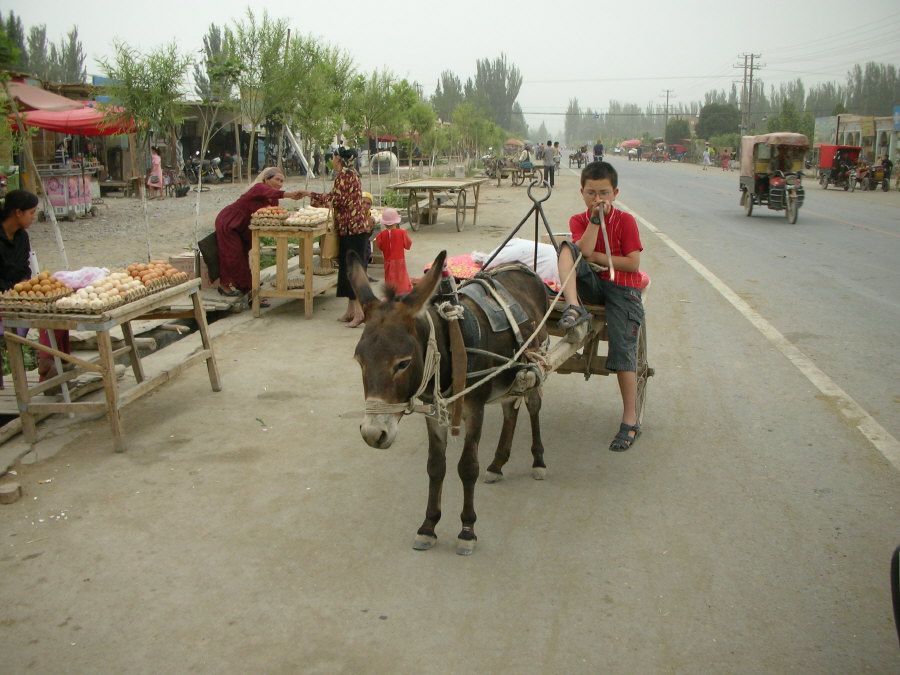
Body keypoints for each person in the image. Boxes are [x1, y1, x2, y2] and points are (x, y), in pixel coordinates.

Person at [555, 161, 646, 452]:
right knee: (567, 248)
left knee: (622, 348)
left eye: (604, 193)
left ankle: (630, 419)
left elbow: (632, 263)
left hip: (623, 286)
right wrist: (595, 222)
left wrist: (600, 259)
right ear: (582, 193)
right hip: (592, 284)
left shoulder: (627, 221)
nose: (598, 200)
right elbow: (583, 252)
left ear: (615, 193)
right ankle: (573, 306)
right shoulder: (579, 220)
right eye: (592, 193)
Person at [0, 190, 71, 389]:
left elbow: (25, 267)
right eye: (31, 212)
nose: (33, 217)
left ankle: (47, 362)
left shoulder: (22, 236)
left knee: (56, 314)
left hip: (17, 296)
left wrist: (24, 288)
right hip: (4, 298)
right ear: (18, 213)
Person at [298, 148, 369, 327]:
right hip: (351, 228)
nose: (333, 161)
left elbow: (336, 200)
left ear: (339, 159)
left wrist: (311, 195)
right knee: (347, 268)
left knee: (353, 270)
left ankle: (360, 312)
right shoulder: (351, 174)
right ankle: (351, 310)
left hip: (352, 229)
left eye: (334, 158)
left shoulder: (344, 176)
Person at [214, 167, 302, 303]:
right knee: (233, 255)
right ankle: (245, 290)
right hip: (230, 222)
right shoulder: (258, 188)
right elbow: (270, 192)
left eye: (282, 181)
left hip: (245, 227)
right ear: (267, 179)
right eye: (277, 179)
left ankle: (242, 286)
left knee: (242, 256)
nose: (280, 183)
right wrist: (290, 194)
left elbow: (271, 213)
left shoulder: (273, 199)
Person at [374, 208, 412, 295]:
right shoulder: (402, 233)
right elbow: (408, 245)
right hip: (400, 260)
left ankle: (391, 294)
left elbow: (379, 245)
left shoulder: (381, 235)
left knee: (389, 277)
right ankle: (403, 291)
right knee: (401, 277)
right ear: (396, 222)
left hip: (388, 260)